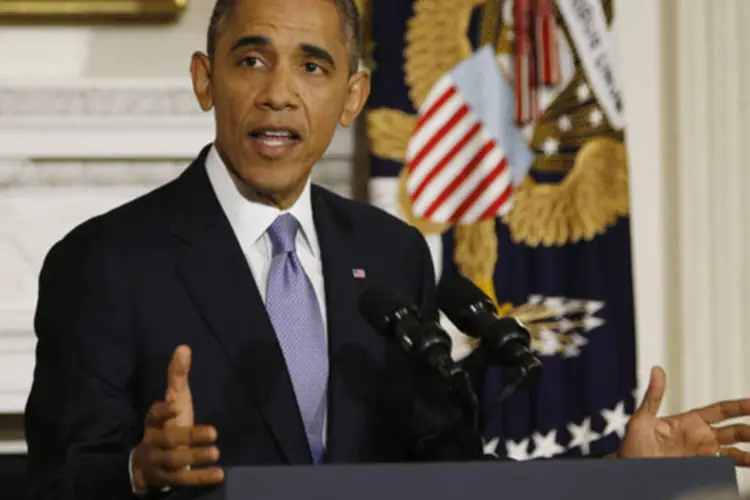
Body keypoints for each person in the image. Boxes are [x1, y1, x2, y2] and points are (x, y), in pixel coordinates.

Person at [23, 0, 750, 499]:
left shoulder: (391, 251)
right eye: (251, 60)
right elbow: (53, 478)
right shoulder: (103, 262)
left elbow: (446, 474)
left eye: (312, 66)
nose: (279, 93)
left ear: (353, 96)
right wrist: (137, 471)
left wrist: (618, 478)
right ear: (205, 80)